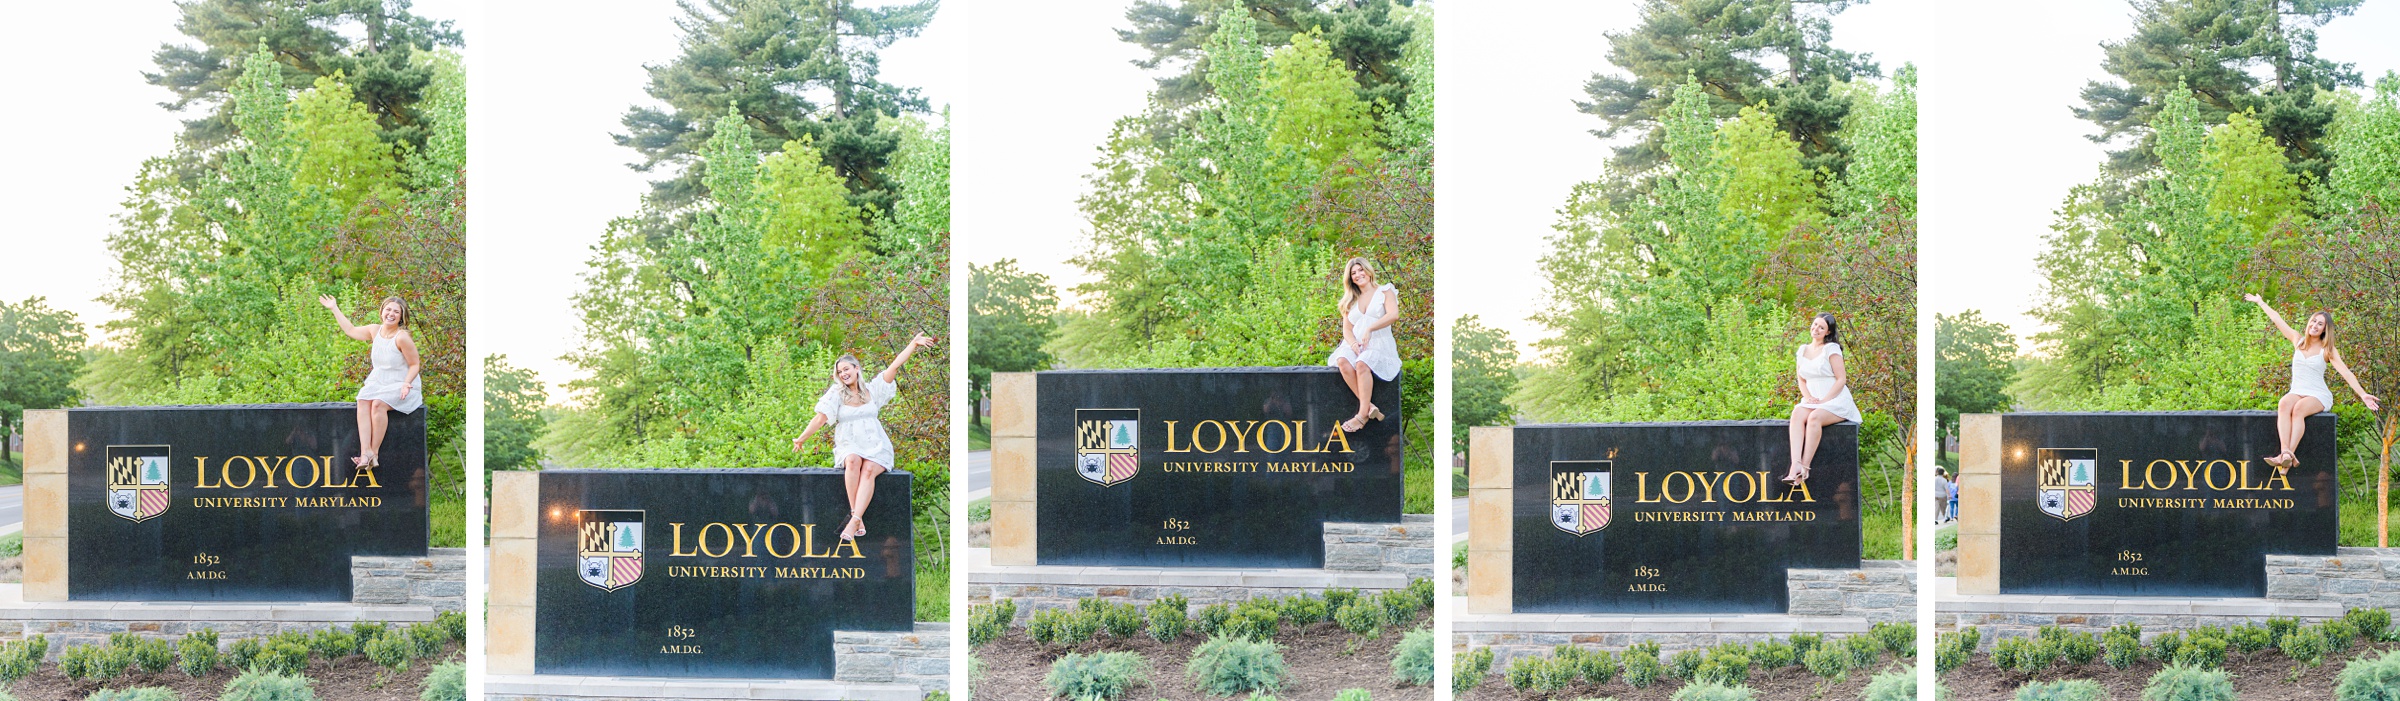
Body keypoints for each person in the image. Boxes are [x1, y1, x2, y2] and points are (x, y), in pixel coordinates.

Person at [795, 333, 937, 541]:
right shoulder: (836, 393)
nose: (843, 373)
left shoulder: (873, 389)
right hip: (849, 443)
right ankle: (857, 518)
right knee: (852, 461)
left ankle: (854, 520)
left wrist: (913, 343)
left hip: (876, 445)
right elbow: (819, 419)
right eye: (839, 371)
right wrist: (801, 439)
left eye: (846, 369)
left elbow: (894, 366)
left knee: (869, 469)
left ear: (856, 369)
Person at [2244, 294, 2380, 473]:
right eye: (2313, 321)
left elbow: (2346, 372)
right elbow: (2277, 320)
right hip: (2297, 390)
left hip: (2318, 394)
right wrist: (2260, 302)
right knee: (2284, 403)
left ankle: (2287, 456)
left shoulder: (2327, 350)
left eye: (2320, 324)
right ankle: (2285, 454)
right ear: (2308, 322)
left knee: (2299, 409)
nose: (2314, 326)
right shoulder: (2297, 340)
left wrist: (2363, 394)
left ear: (2325, 329)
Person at [320, 294, 422, 469]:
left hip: (402, 383)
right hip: (379, 382)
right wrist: (334, 308)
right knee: (363, 400)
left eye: (396, 311)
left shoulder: (402, 337)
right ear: (382, 311)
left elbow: (415, 364)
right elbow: (350, 330)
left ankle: (374, 453)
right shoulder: (375, 330)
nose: (391, 314)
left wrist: (406, 383)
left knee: (378, 405)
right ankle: (365, 452)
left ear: (401, 316)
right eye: (388, 309)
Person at [1326, 257, 1401, 433]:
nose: (1358, 275)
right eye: (1353, 273)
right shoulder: (1349, 300)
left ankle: (1361, 415)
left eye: (1361, 270)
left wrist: (1370, 328)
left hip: (1379, 343)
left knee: (1362, 363)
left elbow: (1393, 315)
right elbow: (1347, 330)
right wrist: (1352, 344)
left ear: (1368, 271)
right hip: (1356, 343)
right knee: (1343, 360)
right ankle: (1370, 407)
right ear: (1350, 278)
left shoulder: (1385, 291)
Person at [1786, 313, 1861, 486]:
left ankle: (1805, 467)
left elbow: (1841, 379)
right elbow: (1801, 379)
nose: (1816, 329)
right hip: (1813, 399)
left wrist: (1825, 400)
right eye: (1814, 325)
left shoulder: (1831, 349)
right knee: (1797, 412)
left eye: (1821, 327)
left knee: (1814, 418)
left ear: (1827, 332)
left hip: (1834, 398)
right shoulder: (1802, 350)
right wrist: (1808, 397)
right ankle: (1794, 465)